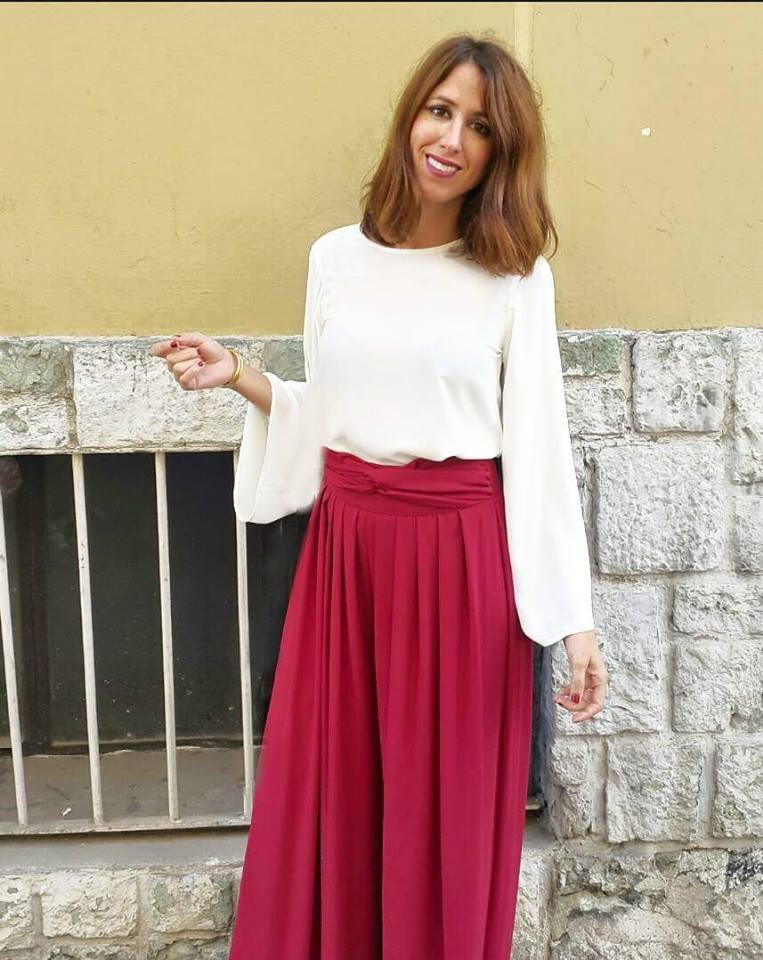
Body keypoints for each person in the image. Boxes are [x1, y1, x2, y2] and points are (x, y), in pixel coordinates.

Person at [151, 32, 609, 960]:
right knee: (334, 798)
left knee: (443, 815)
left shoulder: (515, 278)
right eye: (440, 110)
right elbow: (334, 411)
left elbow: (538, 446)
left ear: (499, 154)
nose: (450, 138)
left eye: (479, 126)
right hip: (347, 558)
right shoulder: (335, 259)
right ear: (411, 116)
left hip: (460, 569)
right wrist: (240, 376)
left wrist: (574, 623)